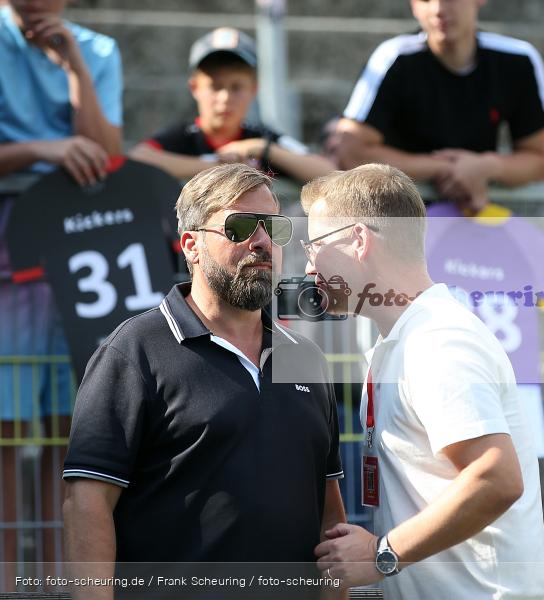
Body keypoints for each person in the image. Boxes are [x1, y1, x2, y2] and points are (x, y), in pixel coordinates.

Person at [62, 164, 346, 599]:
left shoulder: (306, 358)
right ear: (191, 246)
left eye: (274, 227)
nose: (262, 241)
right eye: (240, 227)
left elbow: (330, 514)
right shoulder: (133, 350)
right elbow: (87, 504)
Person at [304, 164, 544, 600]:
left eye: (316, 246)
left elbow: (497, 478)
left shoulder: (437, 340)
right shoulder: (412, 337)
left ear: (359, 240)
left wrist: (381, 553)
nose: (309, 267)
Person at [0, 0, 122, 584]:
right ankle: (7, 579)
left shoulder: (98, 50)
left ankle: (56, 581)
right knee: (6, 426)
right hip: (10, 251)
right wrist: (41, 151)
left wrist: (73, 63)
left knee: (71, 428)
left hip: (80, 251)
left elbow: (108, 153)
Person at [336, 0, 544, 212]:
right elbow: (351, 151)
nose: (438, 9)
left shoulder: (518, 59)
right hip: (396, 220)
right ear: (413, 5)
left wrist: (487, 167)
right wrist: (446, 169)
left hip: (475, 219)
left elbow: (536, 160)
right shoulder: (392, 56)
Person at [129, 27, 334, 182]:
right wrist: (216, 165)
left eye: (236, 87)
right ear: (195, 88)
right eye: (215, 86)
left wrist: (265, 150)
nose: (225, 97)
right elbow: (136, 159)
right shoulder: (184, 136)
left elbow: (329, 172)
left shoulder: (260, 139)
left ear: (253, 89)